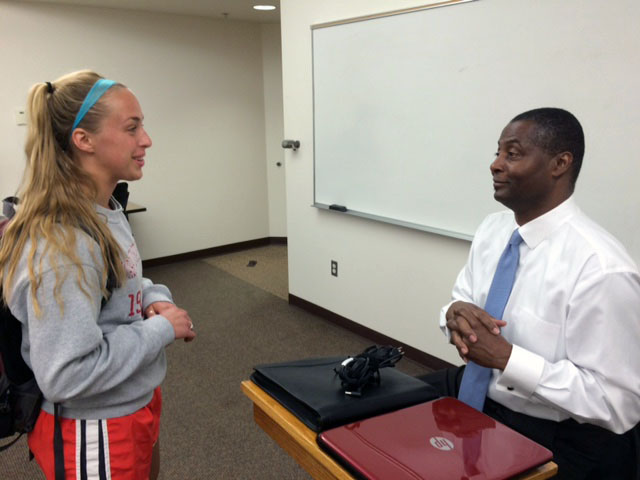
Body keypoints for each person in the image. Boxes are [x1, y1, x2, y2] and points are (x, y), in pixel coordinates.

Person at [423, 108, 640, 479]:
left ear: (560, 163)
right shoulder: (493, 230)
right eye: (497, 152)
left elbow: (618, 403)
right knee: (371, 409)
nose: (495, 164)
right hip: (480, 392)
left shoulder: (601, 268)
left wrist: (508, 359)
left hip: (557, 429)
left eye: (512, 153)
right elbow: (459, 302)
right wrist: (453, 315)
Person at [0, 70, 196, 479]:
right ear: (83, 140)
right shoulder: (61, 245)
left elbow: (120, 278)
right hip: (94, 425)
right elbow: (68, 373)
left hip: (129, 400)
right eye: (132, 127)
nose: (147, 140)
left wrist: (152, 295)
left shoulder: (105, 210)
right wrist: (161, 330)